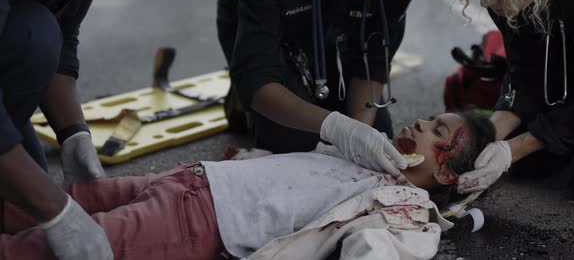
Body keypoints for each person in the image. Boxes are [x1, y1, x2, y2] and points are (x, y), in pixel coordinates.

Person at [0, 112, 495, 260]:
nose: (419, 123)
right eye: (427, 117)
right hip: (185, 180)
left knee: (55, 246)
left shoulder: (406, 205)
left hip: (194, 222)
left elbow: (379, 249)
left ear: (448, 173)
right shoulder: (364, 153)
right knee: (57, 205)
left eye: (436, 132)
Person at [216, 0, 417, 175]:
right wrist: (335, 127)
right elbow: (258, 78)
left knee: (380, 131)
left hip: (333, 24)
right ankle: (241, 102)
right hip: (267, 25)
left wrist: (357, 132)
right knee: (295, 140)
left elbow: (371, 66)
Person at [0, 0, 150, 259]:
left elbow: (64, 34)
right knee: (34, 35)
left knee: (39, 34)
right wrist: (55, 210)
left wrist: (73, 134)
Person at [447, 0, 574, 203]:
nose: (487, 1)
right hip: (571, 82)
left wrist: (517, 147)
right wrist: (486, 143)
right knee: (522, 165)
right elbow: (524, 72)